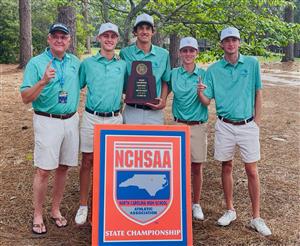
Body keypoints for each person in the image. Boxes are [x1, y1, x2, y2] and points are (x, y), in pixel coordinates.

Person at [197, 27, 272, 236]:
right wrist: (200, 93)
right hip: (224, 125)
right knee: (226, 166)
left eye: (234, 40)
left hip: (247, 125)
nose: (230, 44)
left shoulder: (252, 64)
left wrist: (256, 121)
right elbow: (206, 101)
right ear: (221, 44)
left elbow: (258, 93)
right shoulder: (213, 70)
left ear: (239, 42)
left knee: (252, 170)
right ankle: (230, 210)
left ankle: (256, 217)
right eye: (227, 41)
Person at [20, 23, 81, 234]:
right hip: (47, 120)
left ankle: (55, 210)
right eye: (55, 36)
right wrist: (43, 81)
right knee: (44, 170)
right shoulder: (36, 63)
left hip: (72, 120)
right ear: (48, 39)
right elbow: (25, 97)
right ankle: (38, 214)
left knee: (64, 167)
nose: (59, 40)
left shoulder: (75, 62)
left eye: (63, 37)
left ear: (69, 40)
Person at [74, 23, 127, 225]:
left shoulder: (122, 65)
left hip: (115, 117)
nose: (109, 39)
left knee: (113, 163)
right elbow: (75, 86)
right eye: (105, 35)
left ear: (117, 40)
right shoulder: (87, 64)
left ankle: (110, 203)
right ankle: (83, 205)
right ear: (98, 38)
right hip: (91, 117)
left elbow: (131, 89)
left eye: (113, 36)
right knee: (87, 160)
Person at [170, 37, 208, 220]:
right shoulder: (174, 73)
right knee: (176, 166)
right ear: (179, 53)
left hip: (197, 125)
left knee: (196, 166)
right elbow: (162, 89)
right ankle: (177, 201)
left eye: (191, 50)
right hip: (178, 124)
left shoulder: (203, 74)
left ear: (196, 53)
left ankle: (196, 203)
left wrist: (201, 93)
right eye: (184, 50)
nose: (188, 54)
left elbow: (207, 102)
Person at [120, 13, 171, 124]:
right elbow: (121, 81)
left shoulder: (164, 54)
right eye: (141, 28)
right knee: (130, 141)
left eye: (148, 28)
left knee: (154, 141)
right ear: (135, 32)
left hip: (154, 111)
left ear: (153, 32)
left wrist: (163, 101)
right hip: (132, 110)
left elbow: (165, 80)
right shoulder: (125, 53)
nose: (144, 31)